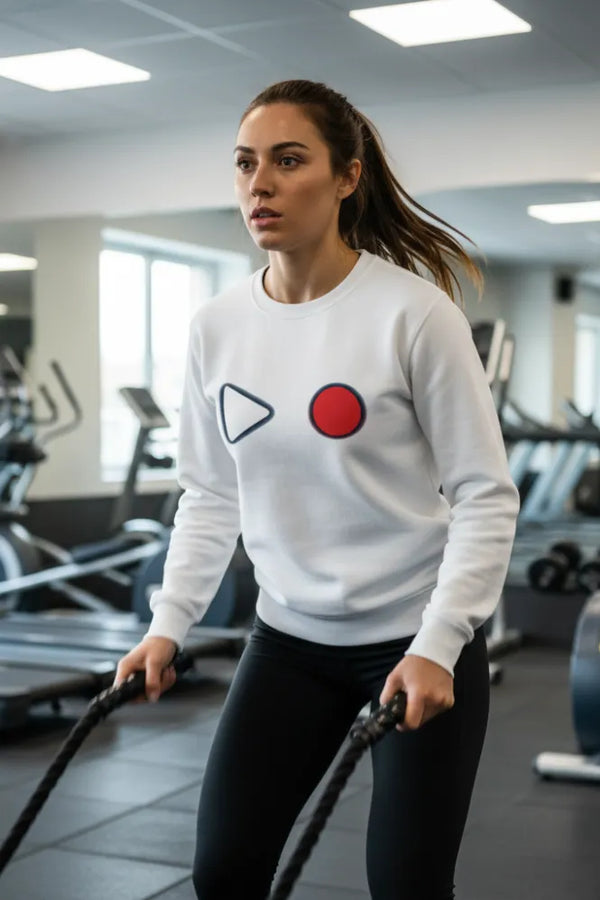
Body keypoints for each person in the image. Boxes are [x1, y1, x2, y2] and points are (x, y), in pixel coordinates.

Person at [114, 79, 520, 899]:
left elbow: (485, 494)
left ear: (346, 177)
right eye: (245, 164)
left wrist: (440, 641)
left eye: (289, 160)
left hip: (411, 639)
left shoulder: (413, 315)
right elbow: (210, 495)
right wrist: (167, 625)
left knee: (406, 887)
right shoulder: (216, 327)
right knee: (224, 873)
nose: (259, 184)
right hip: (288, 643)